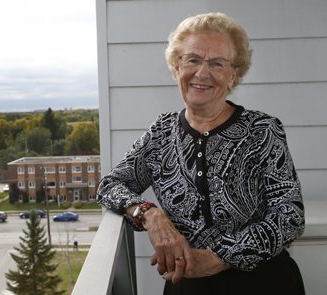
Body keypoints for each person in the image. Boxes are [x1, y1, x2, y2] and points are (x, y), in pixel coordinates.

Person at [96, 12, 305, 295]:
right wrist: (150, 214)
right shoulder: (161, 132)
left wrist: (219, 258)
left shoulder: (262, 129)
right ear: (176, 67)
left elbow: (289, 215)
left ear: (234, 74)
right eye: (192, 59)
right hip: (188, 287)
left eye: (217, 63)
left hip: (263, 283)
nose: (202, 73)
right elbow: (110, 186)